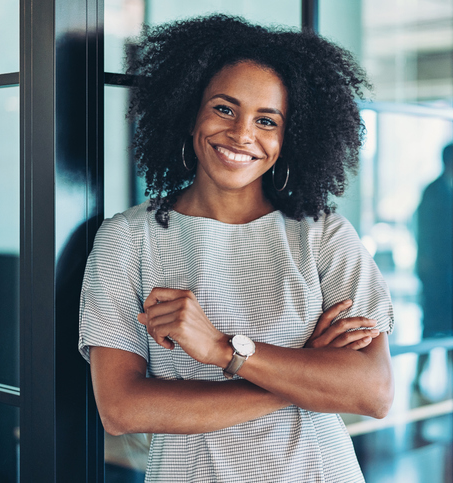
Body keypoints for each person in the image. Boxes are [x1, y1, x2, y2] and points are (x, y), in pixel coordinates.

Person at [78, 15, 395, 483]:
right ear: (190, 112)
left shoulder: (322, 236)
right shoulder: (128, 239)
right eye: (225, 109)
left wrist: (223, 349)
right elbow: (123, 408)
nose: (243, 134)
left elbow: (374, 391)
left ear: (289, 139)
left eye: (267, 121)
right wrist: (302, 380)